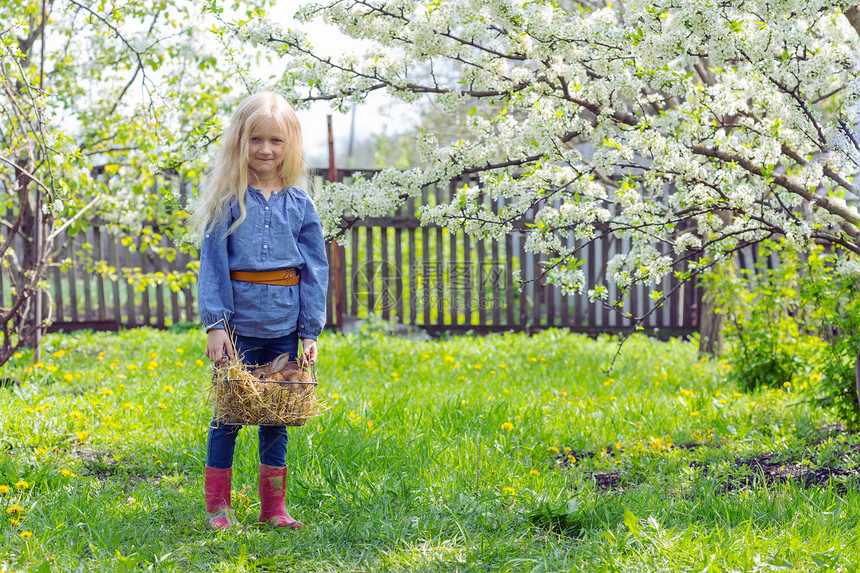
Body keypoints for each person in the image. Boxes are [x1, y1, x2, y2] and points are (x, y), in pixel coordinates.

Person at [193, 91, 329, 531]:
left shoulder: (299, 205)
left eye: (275, 140)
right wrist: (216, 325)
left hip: (285, 330)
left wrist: (309, 332)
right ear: (240, 141)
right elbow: (212, 265)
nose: (265, 149)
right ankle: (219, 507)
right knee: (228, 416)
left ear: (289, 144)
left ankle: (274, 508)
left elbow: (314, 270)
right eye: (255, 139)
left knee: (278, 417)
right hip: (238, 329)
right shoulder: (227, 200)